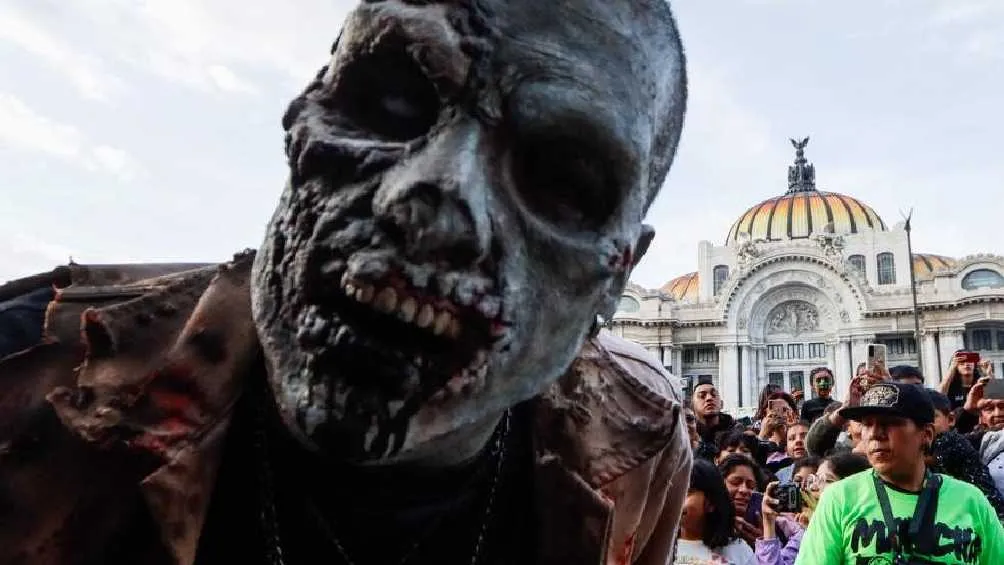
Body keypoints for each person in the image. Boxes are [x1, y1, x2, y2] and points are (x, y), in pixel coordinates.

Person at [0, 1, 692, 564]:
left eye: (562, 181)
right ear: (304, 113)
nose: (429, 201)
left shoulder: (632, 443)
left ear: (617, 275)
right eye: (393, 99)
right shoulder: (26, 376)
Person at [796, 382, 1004, 564]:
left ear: (927, 434)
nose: (875, 434)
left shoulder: (971, 501)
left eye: (889, 423)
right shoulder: (839, 499)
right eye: (867, 424)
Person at [675, 459, 756, 565]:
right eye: (674, 491)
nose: (676, 500)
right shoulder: (658, 547)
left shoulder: (738, 551)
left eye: (687, 491)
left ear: (711, 503)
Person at [719, 454, 769, 548]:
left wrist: (763, 544)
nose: (744, 490)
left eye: (750, 486)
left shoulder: (766, 526)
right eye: (735, 482)